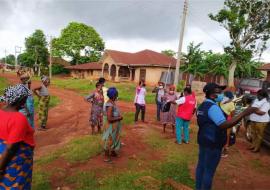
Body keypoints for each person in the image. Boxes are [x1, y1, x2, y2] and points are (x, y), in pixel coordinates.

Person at [196, 83, 254, 190]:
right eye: (219, 92)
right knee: (209, 171)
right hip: (213, 143)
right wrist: (244, 113)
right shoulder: (213, 108)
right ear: (212, 94)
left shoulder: (202, 106)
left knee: (201, 167)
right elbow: (224, 124)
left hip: (204, 140)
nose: (222, 94)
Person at [0, 84, 35, 189]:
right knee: (16, 184)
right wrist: (1, 168)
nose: (25, 102)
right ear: (20, 100)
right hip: (16, 160)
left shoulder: (1, 112)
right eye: (24, 99)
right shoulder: (19, 119)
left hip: (2, 154)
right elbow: (11, 148)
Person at [102, 87, 123, 163]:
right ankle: (106, 156)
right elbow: (109, 119)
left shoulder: (112, 102)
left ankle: (113, 152)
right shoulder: (110, 105)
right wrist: (119, 118)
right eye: (116, 93)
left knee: (114, 138)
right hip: (110, 126)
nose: (117, 94)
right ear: (114, 95)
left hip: (114, 127)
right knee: (109, 139)